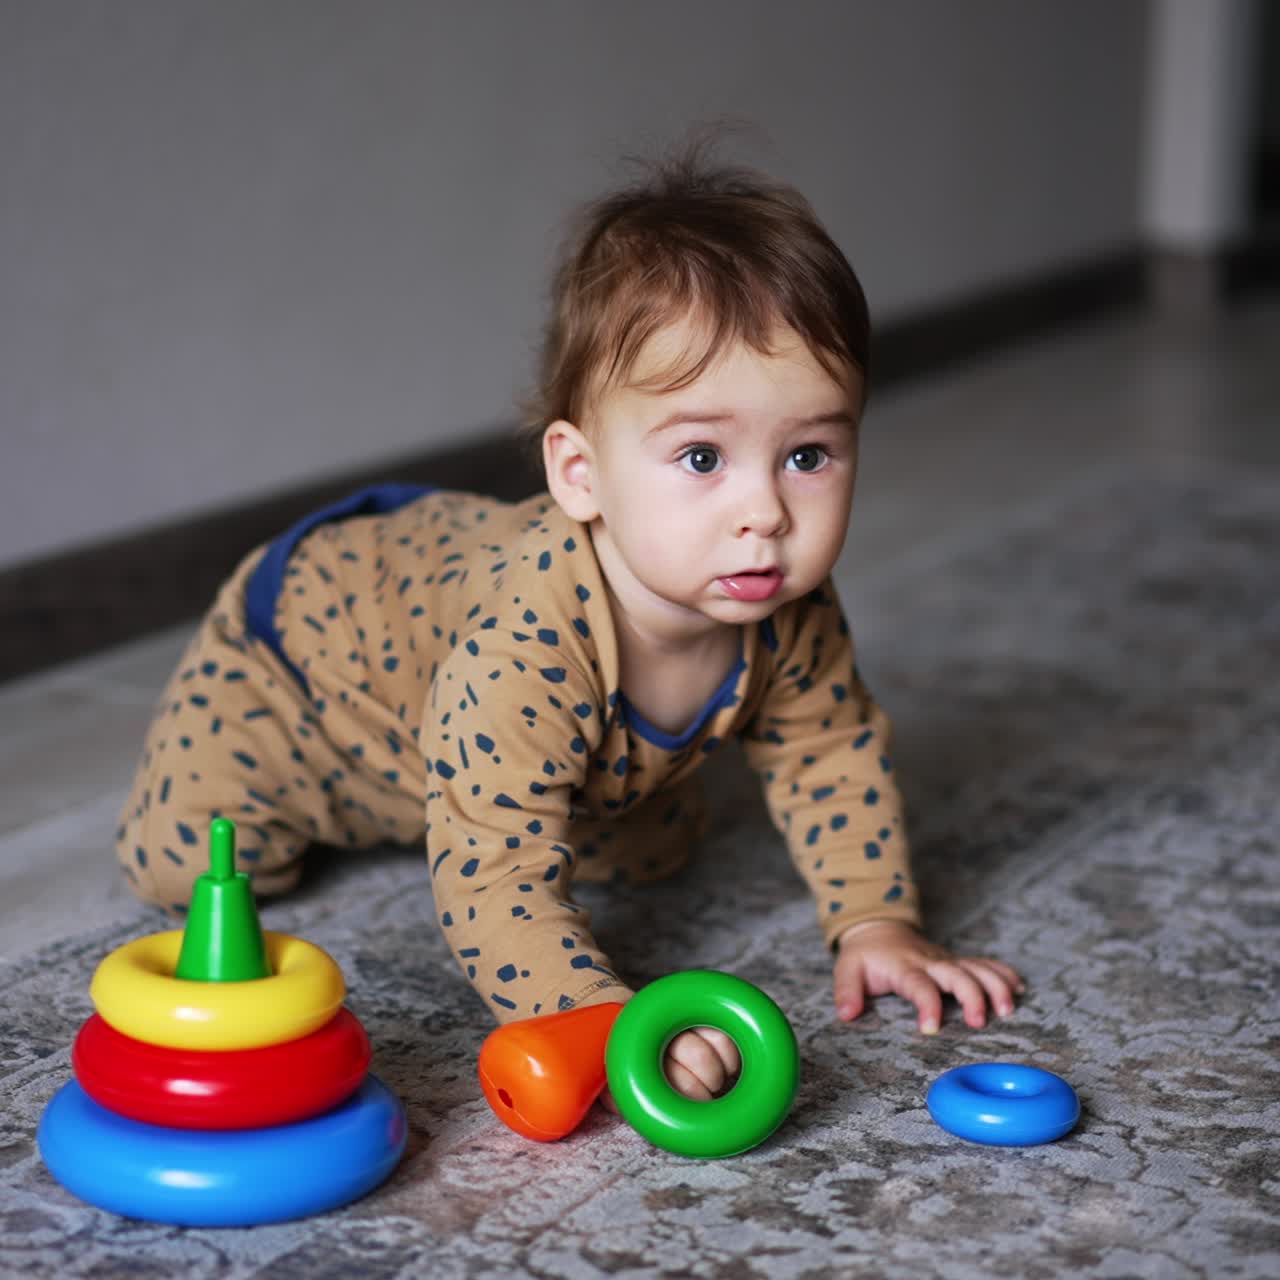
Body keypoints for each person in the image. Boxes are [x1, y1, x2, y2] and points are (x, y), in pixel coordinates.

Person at [116, 142, 1022, 1102]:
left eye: (808, 456)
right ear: (579, 473)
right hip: (300, 676)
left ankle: (470, 786)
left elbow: (828, 751)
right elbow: (494, 884)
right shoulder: (526, 639)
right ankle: (414, 797)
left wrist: (876, 923)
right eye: (704, 459)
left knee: (655, 849)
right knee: (186, 867)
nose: (765, 513)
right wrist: (605, 1021)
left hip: (477, 721)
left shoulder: (779, 598)